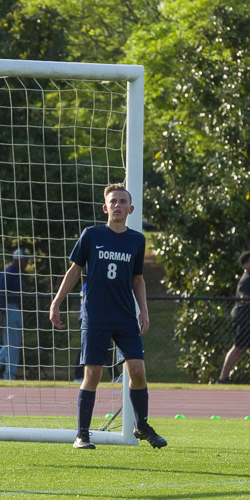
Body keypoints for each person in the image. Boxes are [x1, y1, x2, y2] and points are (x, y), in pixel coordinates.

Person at [49, 184, 165, 451]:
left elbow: (138, 279)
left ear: (130, 209)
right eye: (113, 201)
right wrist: (56, 302)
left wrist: (143, 310)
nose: (118, 205)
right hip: (96, 315)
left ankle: (142, 425)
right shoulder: (91, 235)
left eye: (123, 201)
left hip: (125, 315)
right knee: (93, 374)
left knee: (137, 370)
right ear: (105, 207)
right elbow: (74, 271)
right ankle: (82, 434)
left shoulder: (137, 240)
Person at [217, 251, 250, 384]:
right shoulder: (247, 278)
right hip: (244, 320)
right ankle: (222, 378)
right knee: (238, 348)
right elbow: (244, 298)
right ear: (245, 265)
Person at [0, 248, 30, 380]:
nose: (27, 263)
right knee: (11, 344)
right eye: (25, 260)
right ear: (18, 260)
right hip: (9, 309)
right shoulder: (9, 272)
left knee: (12, 344)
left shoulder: (18, 273)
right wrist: (0, 315)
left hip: (14, 308)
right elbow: (0, 293)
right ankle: (8, 374)